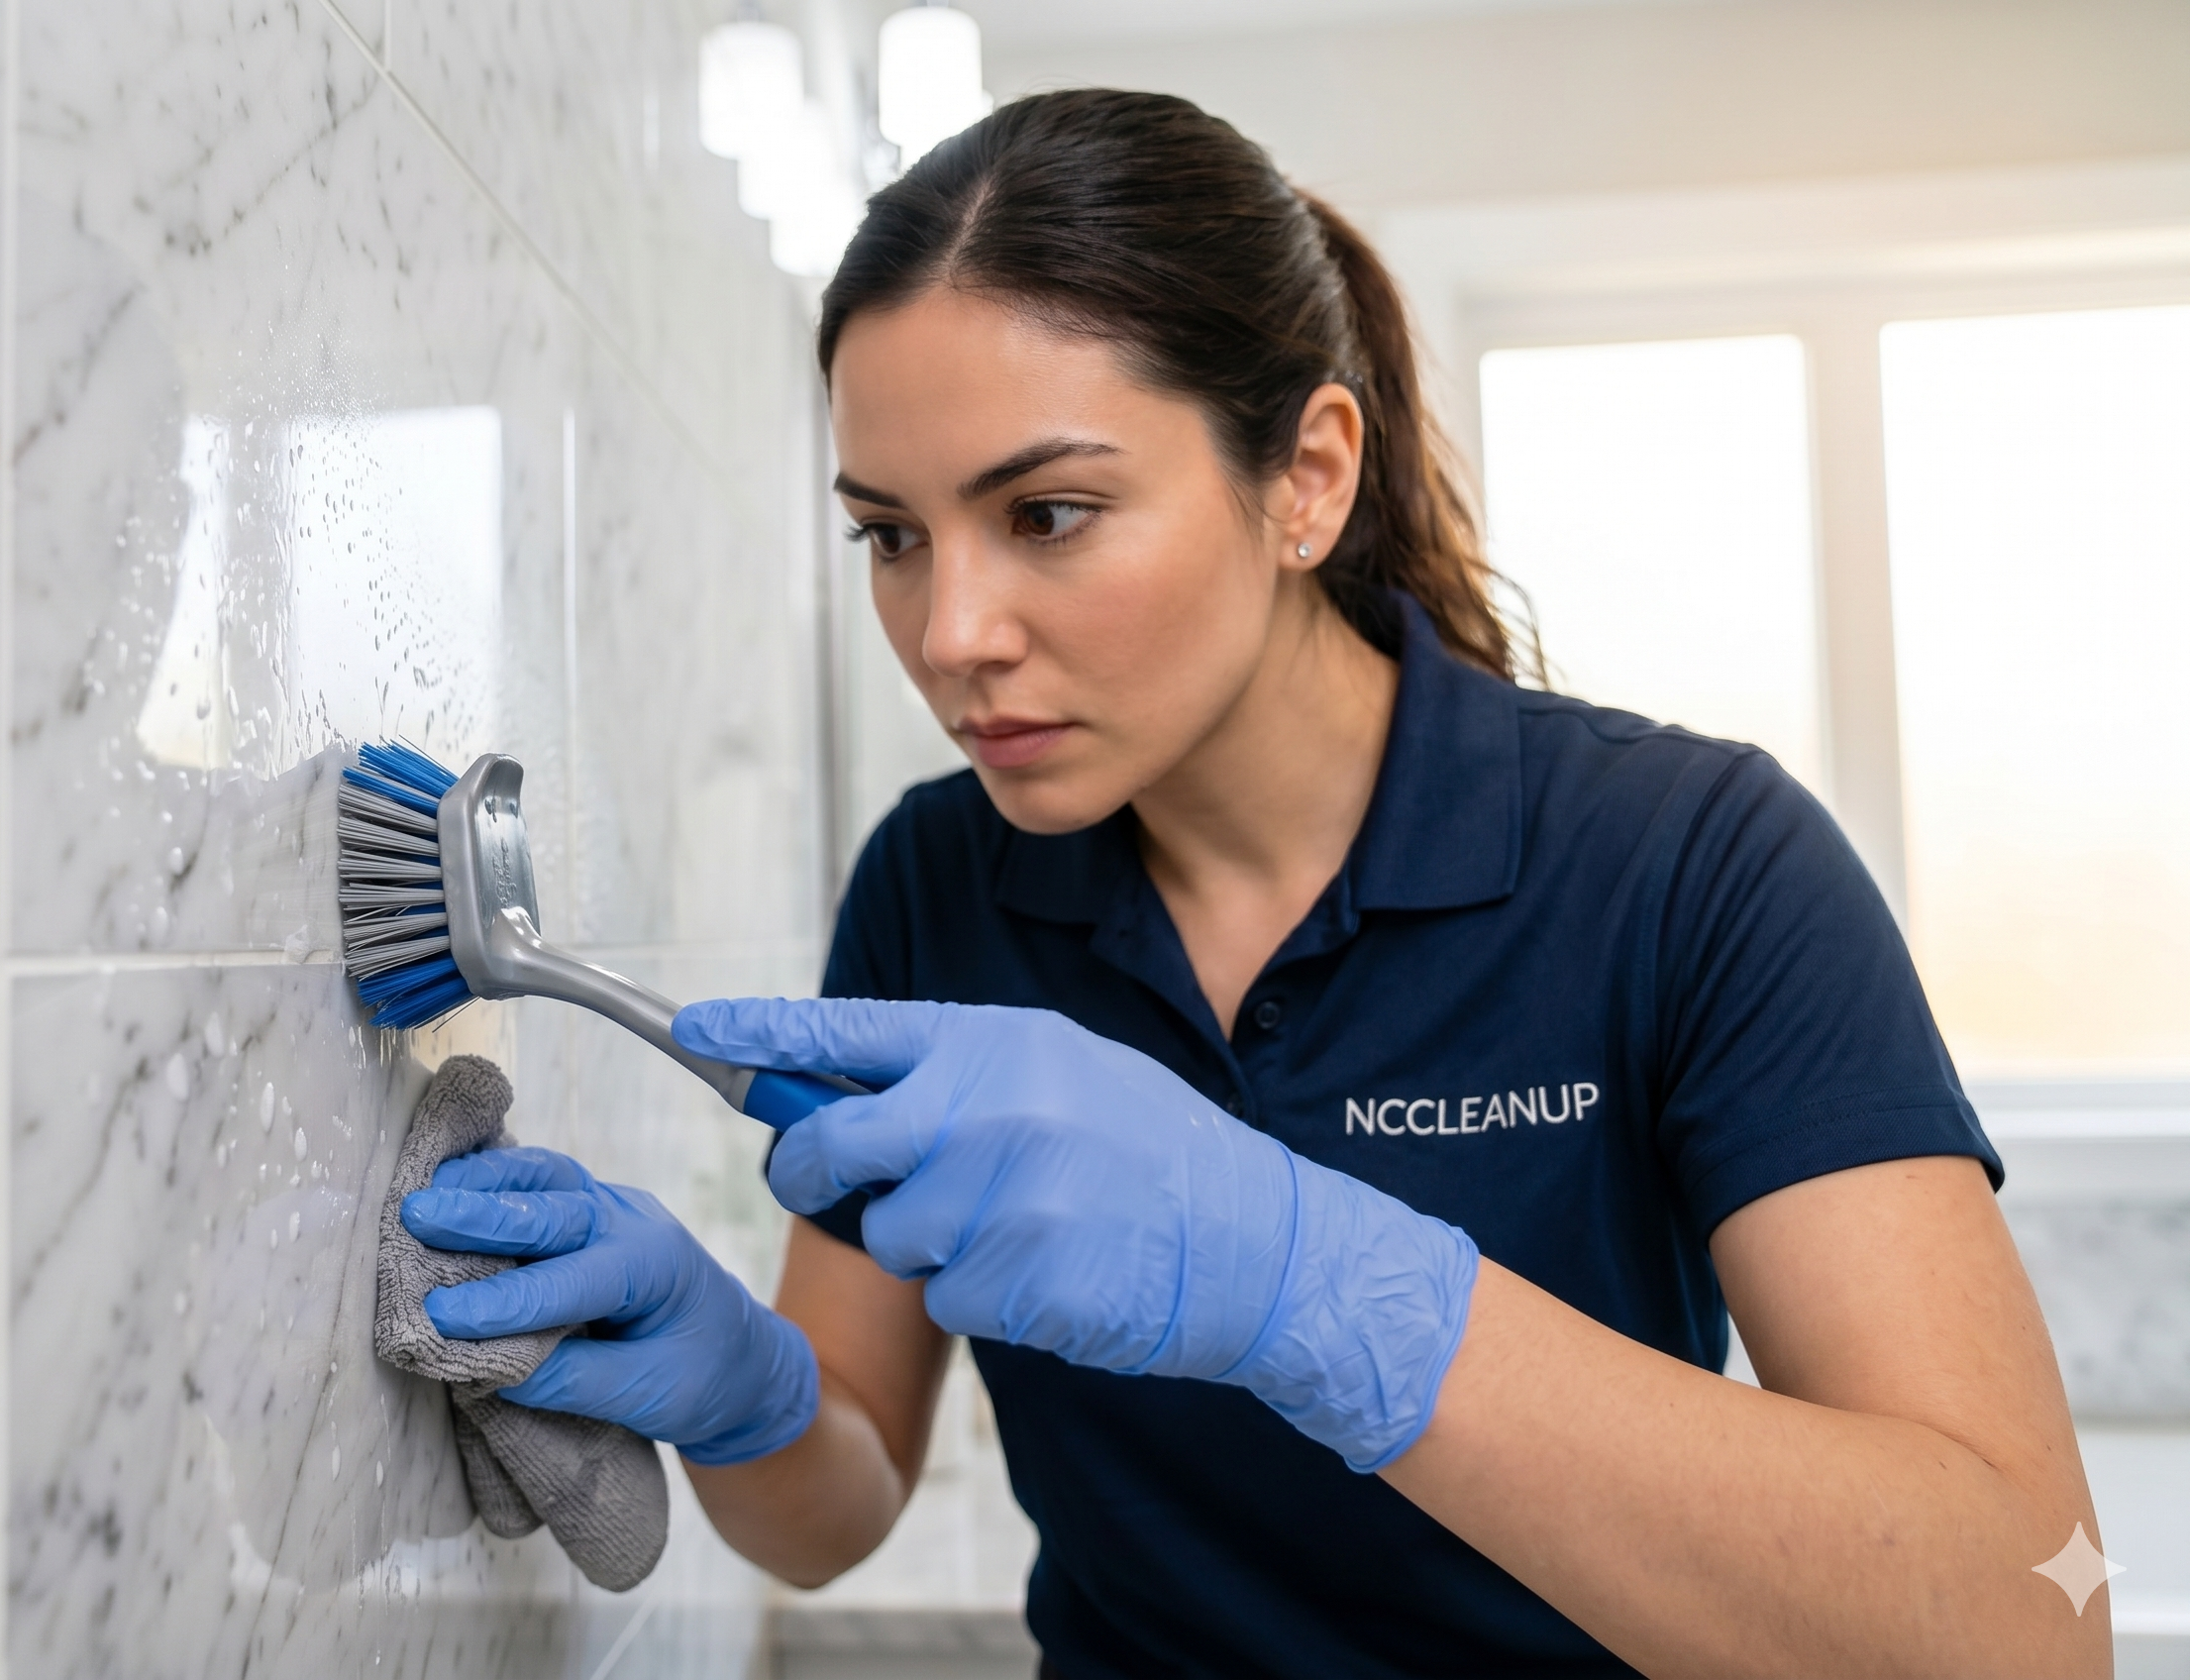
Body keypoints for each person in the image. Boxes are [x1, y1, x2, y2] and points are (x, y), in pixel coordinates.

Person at [398, 90, 2108, 1678]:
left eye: (1050, 514)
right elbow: (833, 1509)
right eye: (891, 534)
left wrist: (1306, 1280)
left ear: (1306, 477)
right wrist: (747, 1391)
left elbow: (2021, 1628)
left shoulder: (1692, 863)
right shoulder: (941, 880)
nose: (950, 633)